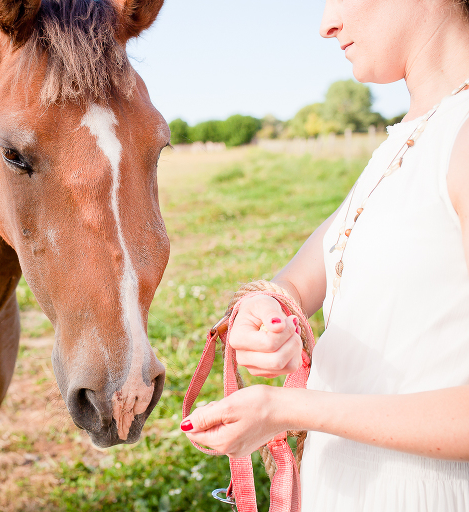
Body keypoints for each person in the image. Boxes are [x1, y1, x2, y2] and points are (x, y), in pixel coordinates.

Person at [180, 0, 469, 509]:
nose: (325, 24)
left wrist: (288, 408)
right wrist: (264, 310)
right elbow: (294, 282)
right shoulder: (403, 144)